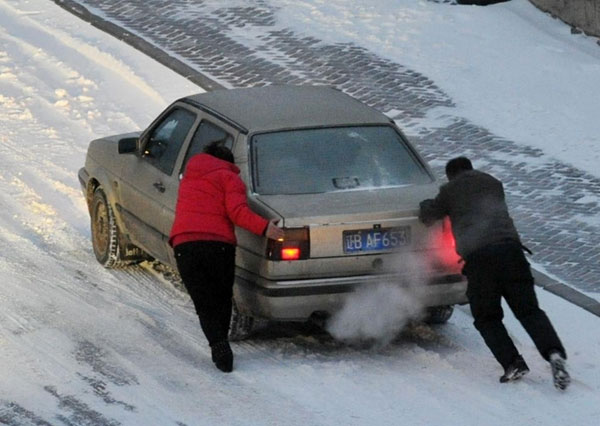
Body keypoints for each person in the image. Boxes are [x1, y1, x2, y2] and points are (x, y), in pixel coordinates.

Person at [419, 157, 570, 390]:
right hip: (512, 252)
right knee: (529, 311)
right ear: (470, 169)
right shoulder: (492, 183)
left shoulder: (450, 190)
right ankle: (554, 354)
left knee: (487, 317)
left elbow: (430, 215)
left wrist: (425, 205)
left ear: (451, 175)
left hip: (481, 260)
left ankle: (512, 362)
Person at [169, 141, 284, 373]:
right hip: (217, 245)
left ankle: (217, 344)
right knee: (221, 298)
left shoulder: (189, 177)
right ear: (228, 162)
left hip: (185, 244)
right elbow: (237, 212)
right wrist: (265, 228)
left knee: (202, 301)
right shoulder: (230, 178)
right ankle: (221, 344)